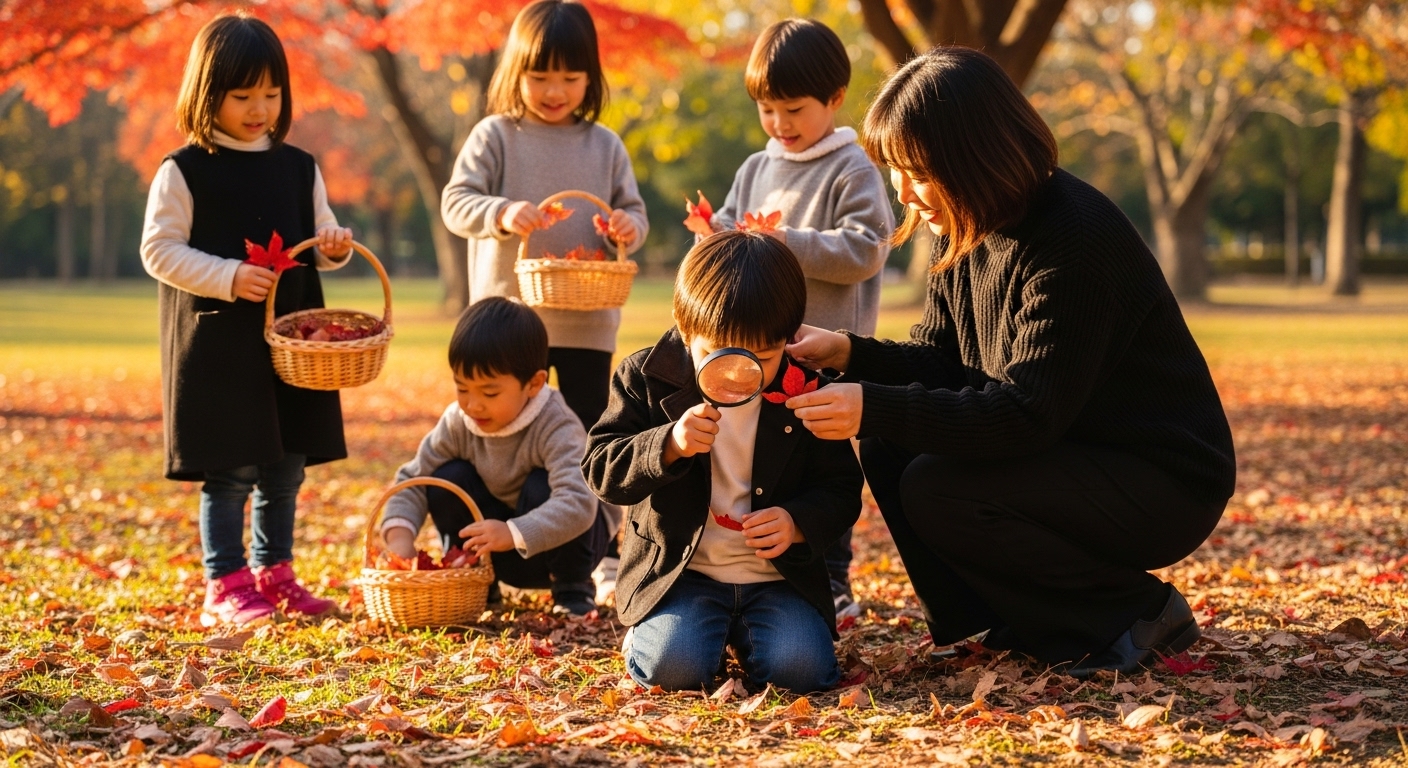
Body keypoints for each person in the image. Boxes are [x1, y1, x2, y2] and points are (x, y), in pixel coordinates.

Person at [784, 47, 1236, 677]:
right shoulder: (966, 224)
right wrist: (849, 352)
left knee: (937, 484)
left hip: (1158, 477)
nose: (906, 194)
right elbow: (942, 360)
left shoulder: (1073, 239)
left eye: (918, 171)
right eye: (894, 171)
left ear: (972, 153)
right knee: (891, 443)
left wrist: (871, 402)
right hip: (1074, 449)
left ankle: (1136, 612)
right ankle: (999, 617)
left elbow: (1026, 414)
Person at [139, 15, 355, 627]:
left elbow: (321, 241)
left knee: (286, 463)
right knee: (232, 466)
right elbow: (158, 250)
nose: (260, 108)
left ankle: (275, 572)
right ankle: (225, 583)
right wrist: (228, 275)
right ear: (207, 93)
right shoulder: (184, 170)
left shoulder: (297, 166)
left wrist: (335, 246)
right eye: (243, 96)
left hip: (293, 340)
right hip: (220, 342)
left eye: (271, 93)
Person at [583, 231, 863, 692]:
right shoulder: (647, 379)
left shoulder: (808, 391)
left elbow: (840, 490)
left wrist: (796, 522)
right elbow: (600, 469)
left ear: (789, 339)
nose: (737, 373)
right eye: (716, 355)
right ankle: (651, 638)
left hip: (777, 580)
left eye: (763, 357)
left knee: (801, 672)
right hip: (681, 575)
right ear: (684, 329)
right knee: (674, 670)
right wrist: (667, 445)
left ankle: (749, 639)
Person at [693, 19, 893, 620]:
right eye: (767, 109)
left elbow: (866, 248)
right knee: (764, 457)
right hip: (755, 346)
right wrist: (715, 236)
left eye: (793, 109)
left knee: (822, 461)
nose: (780, 124)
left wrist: (782, 241)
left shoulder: (852, 168)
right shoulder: (757, 166)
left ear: (834, 99)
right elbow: (730, 222)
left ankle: (832, 574)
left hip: (821, 348)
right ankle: (765, 563)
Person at [441, 0, 648, 431]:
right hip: (507, 323)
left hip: (587, 324)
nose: (555, 92)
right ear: (515, 73)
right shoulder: (495, 135)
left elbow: (632, 212)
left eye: (570, 79)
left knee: (586, 428)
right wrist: (501, 211)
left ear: (590, 77)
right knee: (506, 429)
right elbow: (455, 202)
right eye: (539, 78)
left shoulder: (605, 144)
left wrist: (626, 228)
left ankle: (589, 502)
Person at [380, 297, 608, 616]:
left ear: (533, 384)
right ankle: (476, 581)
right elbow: (414, 479)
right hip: (493, 548)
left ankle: (573, 589)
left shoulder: (556, 424)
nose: (473, 405)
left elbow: (579, 504)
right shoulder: (459, 422)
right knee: (447, 477)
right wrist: (400, 539)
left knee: (542, 485)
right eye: (462, 389)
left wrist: (512, 531)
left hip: (562, 549)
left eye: (489, 393)